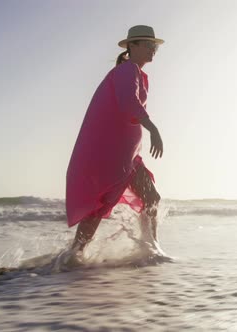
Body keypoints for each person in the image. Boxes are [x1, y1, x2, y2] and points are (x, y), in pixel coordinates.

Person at [65, 25, 165, 255]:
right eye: (150, 45)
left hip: (129, 155)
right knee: (99, 206)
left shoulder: (138, 74)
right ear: (133, 46)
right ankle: (74, 255)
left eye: (155, 46)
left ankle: (152, 249)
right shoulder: (127, 70)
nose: (154, 50)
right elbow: (128, 102)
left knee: (151, 197)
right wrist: (153, 128)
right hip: (113, 155)